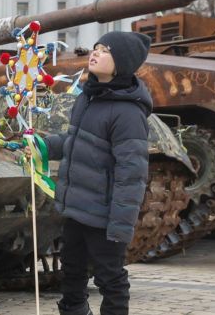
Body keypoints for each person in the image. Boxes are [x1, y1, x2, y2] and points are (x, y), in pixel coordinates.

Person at [46, 31, 153, 315]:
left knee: (110, 278)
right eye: (96, 47)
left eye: (105, 50)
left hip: (104, 216)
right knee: (71, 273)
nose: (95, 52)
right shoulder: (88, 98)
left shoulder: (128, 113)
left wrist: (120, 225)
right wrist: (42, 145)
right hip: (77, 209)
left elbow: (132, 174)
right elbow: (75, 142)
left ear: (122, 62)